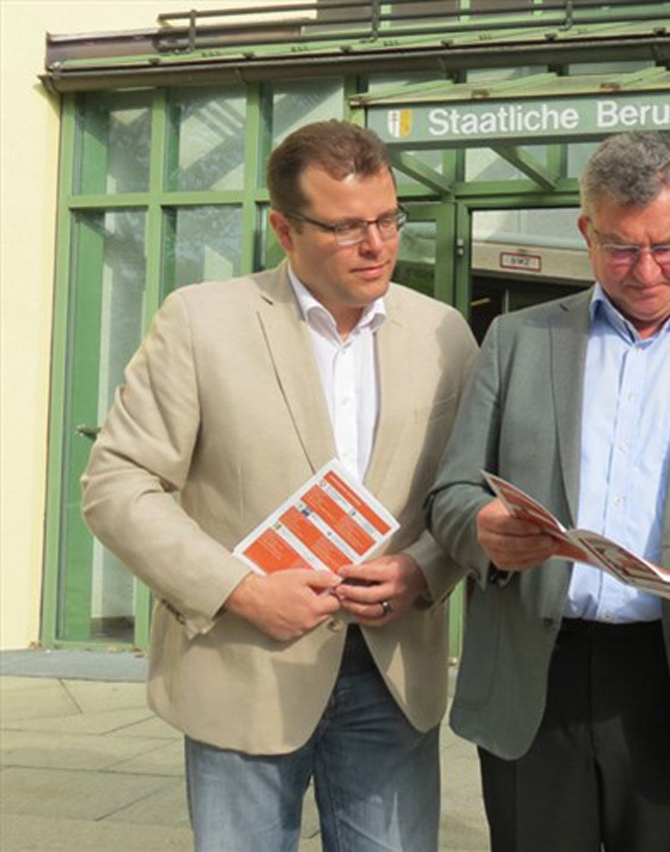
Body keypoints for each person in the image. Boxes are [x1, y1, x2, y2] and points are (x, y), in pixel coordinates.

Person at [81, 120, 477, 851]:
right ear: (283, 229)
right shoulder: (200, 322)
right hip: (243, 670)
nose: (377, 244)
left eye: (389, 218)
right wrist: (239, 589)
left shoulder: (444, 332)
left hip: (393, 673)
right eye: (347, 226)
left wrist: (422, 570)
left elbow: (465, 495)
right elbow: (117, 483)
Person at [425, 131, 670, 852]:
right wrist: (485, 530)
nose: (648, 270)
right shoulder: (516, 340)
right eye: (621, 248)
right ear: (586, 232)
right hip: (537, 672)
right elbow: (452, 492)